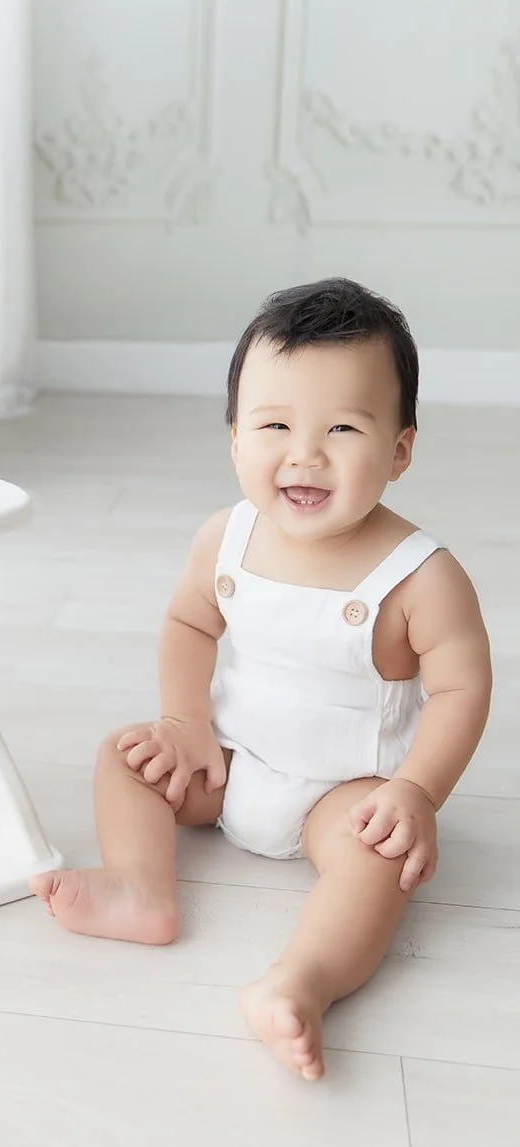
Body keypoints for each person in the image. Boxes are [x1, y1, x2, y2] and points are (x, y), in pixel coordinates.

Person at [31, 278, 492, 1082]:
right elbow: (188, 623)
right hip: (230, 760)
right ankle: (142, 889)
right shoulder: (226, 536)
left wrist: (414, 790)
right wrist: (183, 722)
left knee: (378, 861)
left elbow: (461, 690)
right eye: (273, 424)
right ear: (234, 438)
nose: (303, 453)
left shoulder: (421, 577)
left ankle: (300, 979)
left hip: (341, 790)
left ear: (399, 449)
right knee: (124, 752)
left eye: (342, 427)